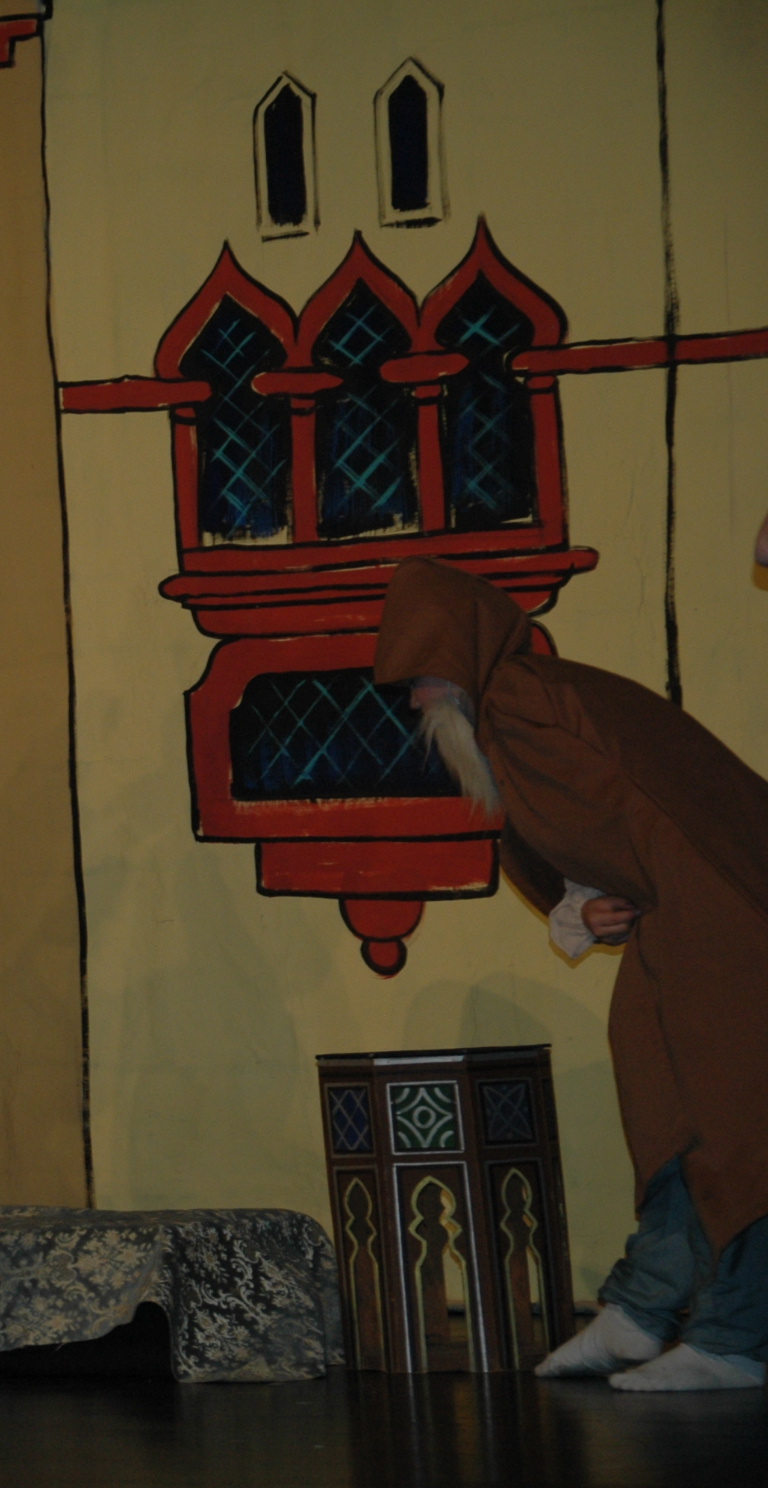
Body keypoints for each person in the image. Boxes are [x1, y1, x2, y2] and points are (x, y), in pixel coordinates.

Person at [376, 556, 768, 1391]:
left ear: (465, 653)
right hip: (681, 914)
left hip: (726, 913)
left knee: (739, 1127)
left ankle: (736, 1338)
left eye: (425, 677)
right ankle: (641, 1309)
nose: (416, 700)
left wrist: (582, 896)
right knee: (667, 1115)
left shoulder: (523, 698)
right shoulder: (514, 716)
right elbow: (604, 817)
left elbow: (631, 808)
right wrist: (582, 904)